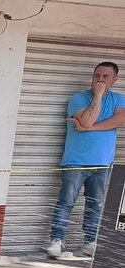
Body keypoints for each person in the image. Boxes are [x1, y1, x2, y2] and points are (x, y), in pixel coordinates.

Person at [46, 61, 125, 258]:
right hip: (76, 161)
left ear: (115, 79)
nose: (100, 79)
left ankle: (90, 242)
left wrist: (89, 128)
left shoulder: (119, 99)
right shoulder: (78, 99)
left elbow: (120, 120)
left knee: (96, 204)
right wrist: (98, 94)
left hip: (103, 162)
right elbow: (87, 119)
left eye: (106, 76)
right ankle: (57, 240)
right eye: (97, 75)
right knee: (66, 201)